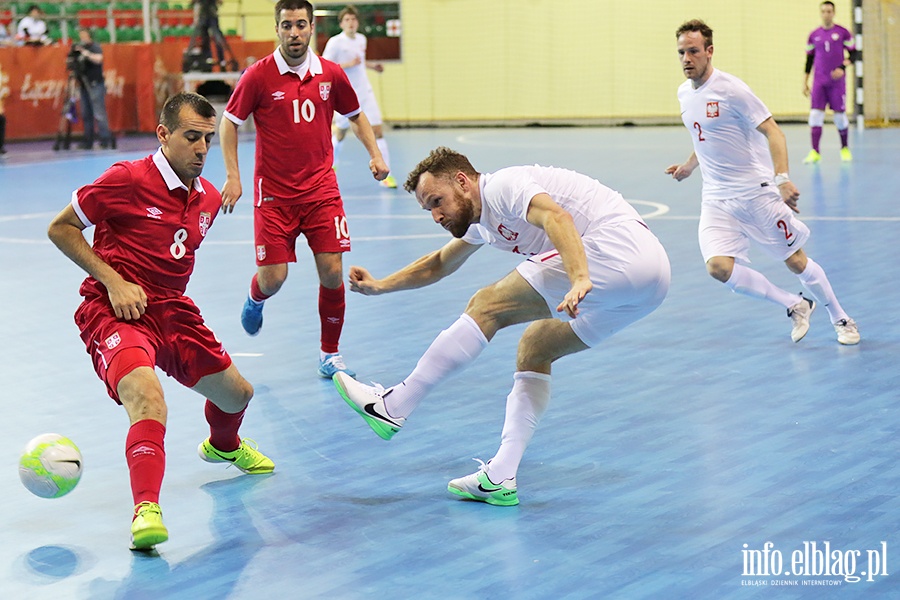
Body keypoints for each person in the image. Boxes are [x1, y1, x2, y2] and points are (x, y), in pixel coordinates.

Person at [333, 147, 671, 506]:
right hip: (650, 285)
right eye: (428, 208)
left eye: (437, 201)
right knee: (536, 347)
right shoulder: (480, 220)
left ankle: (394, 405)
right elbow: (439, 263)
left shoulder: (503, 187)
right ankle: (499, 477)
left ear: (462, 181)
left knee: (487, 305)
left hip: (618, 249)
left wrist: (580, 277)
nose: (435, 215)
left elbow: (557, 218)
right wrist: (381, 285)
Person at [47, 92, 275, 551]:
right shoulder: (126, 179)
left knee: (237, 396)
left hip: (171, 308)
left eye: (208, 140)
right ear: (164, 135)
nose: (202, 149)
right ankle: (145, 511)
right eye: (192, 137)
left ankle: (223, 447)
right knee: (148, 399)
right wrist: (113, 281)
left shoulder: (208, 198)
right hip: (114, 309)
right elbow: (61, 227)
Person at [219, 0, 389, 379]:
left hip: (321, 192)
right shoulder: (258, 76)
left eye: (300, 25)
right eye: (286, 26)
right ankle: (255, 297)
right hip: (275, 197)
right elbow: (229, 123)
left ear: (311, 27)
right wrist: (234, 176)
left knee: (331, 272)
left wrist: (375, 155)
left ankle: (330, 354)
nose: (293, 32)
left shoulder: (329, 74)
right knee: (273, 279)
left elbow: (356, 115)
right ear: (277, 29)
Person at [665, 19, 859, 345]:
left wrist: (782, 178)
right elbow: (707, 137)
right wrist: (689, 166)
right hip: (715, 198)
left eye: (694, 51)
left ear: (709, 51)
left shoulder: (732, 90)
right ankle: (795, 305)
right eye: (682, 52)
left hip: (755, 194)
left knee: (796, 261)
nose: (687, 58)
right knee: (718, 268)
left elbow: (774, 131)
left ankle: (841, 317)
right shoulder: (684, 93)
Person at [322, 5, 397, 188]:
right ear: (341, 23)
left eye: (353, 19)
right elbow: (325, 66)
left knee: (377, 130)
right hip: (344, 94)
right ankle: (331, 165)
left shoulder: (362, 39)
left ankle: (386, 175)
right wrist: (348, 64)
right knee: (339, 134)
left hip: (365, 92)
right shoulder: (335, 42)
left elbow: (360, 63)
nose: (351, 23)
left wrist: (372, 66)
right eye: (347, 20)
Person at [802, 1, 856, 164]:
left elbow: (854, 55)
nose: (826, 14)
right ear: (821, 13)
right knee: (815, 115)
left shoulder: (843, 33)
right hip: (819, 81)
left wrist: (842, 67)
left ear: (834, 13)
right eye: (824, 11)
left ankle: (844, 148)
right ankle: (815, 152)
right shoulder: (814, 35)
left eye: (829, 11)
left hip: (837, 83)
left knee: (839, 116)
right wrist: (805, 82)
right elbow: (809, 59)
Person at [73, 28, 115, 150]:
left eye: (84, 35)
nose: (82, 38)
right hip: (84, 85)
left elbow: (98, 59)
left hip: (95, 84)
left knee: (99, 113)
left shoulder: (94, 47)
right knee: (86, 113)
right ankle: (88, 140)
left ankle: (105, 139)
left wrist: (85, 53)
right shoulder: (79, 48)